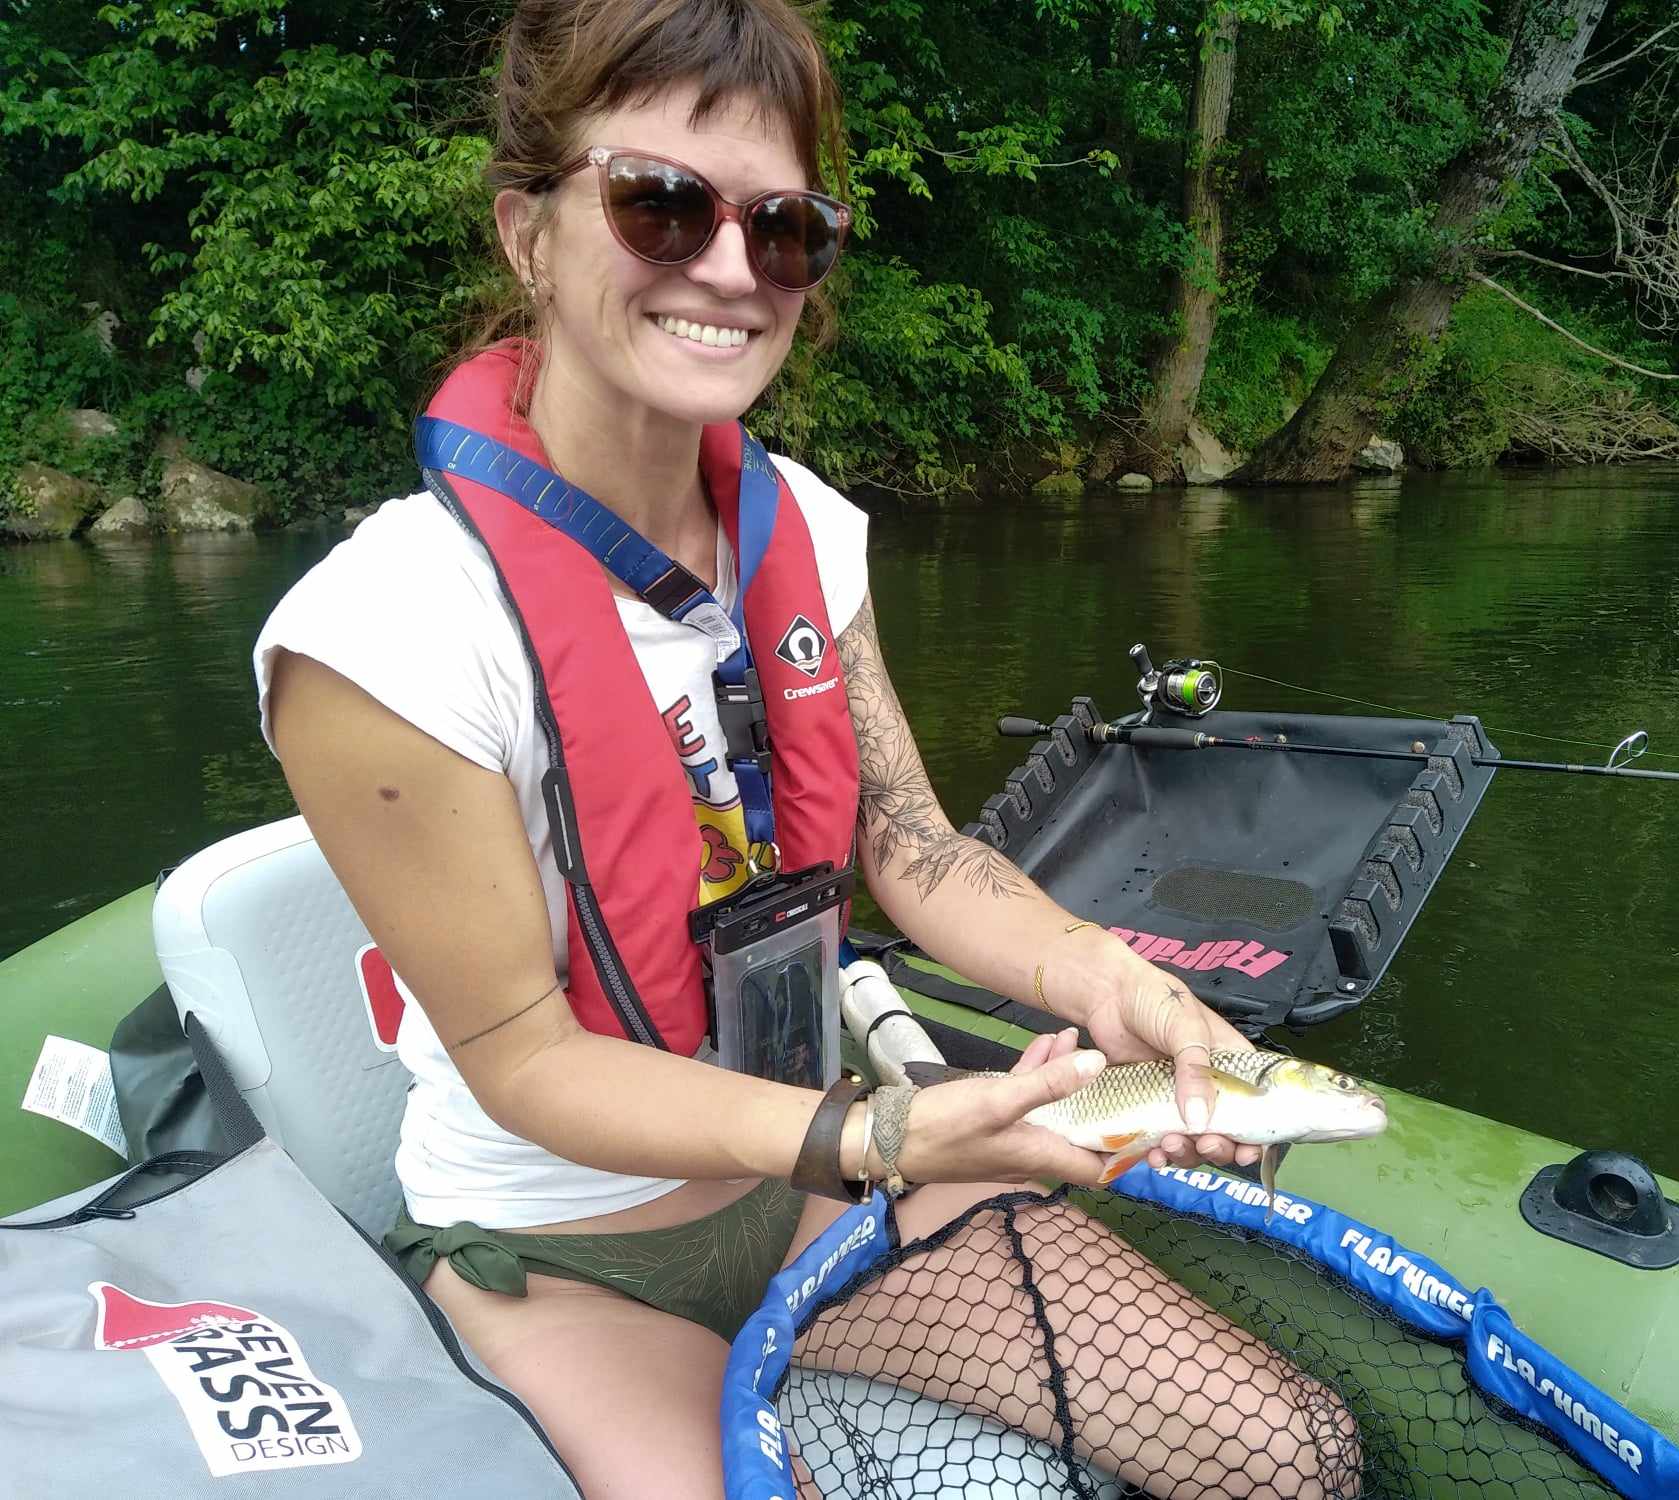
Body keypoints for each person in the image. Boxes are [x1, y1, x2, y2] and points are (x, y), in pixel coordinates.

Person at [257, 2, 1358, 1495]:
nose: (726, 268)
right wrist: (889, 1133)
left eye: (783, 229)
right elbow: (521, 1058)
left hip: (818, 1189)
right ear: (529, 231)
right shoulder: (381, 634)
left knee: (1289, 1452)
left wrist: (1117, 982)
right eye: (660, 204)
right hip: (568, 1256)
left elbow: (906, 846)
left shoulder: (808, 532)